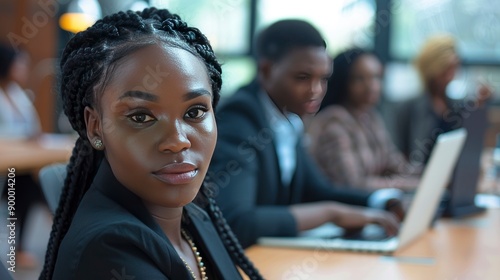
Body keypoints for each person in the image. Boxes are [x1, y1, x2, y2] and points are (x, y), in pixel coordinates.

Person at [40, 8, 262, 280]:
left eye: (194, 112)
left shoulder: (194, 216)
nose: (178, 141)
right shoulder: (106, 251)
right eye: (141, 116)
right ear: (95, 126)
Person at [208, 20, 403, 249]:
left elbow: (318, 190)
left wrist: (382, 201)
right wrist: (331, 214)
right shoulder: (240, 118)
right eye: (302, 78)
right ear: (267, 70)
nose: (316, 90)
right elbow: (236, 222)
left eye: (323, 79)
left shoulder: (288, 119)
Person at [307, 48, 421, 191]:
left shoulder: (371, 116)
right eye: (359, 79)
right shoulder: (333, 121)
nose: (371, 86)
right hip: (348, 207)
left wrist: (429, 174)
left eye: (376, 77)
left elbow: (394, 163)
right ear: (343, 81)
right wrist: (413, 185)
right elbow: (353, 185)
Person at [394, 34, 492, 165]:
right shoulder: (409, 108)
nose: (450, 75)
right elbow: (400, 156)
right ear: (432, 68)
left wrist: (480, 104)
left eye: (454, 68)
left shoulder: (455, 106)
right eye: (445, 69)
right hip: (419, 178)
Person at [0, 43, 43, 268]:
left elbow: (33, 128)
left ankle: (18, 248)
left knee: (29, 187)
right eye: (21, 63)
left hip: (17, 166)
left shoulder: (18, 94)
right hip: (4, 164)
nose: (25, 68)